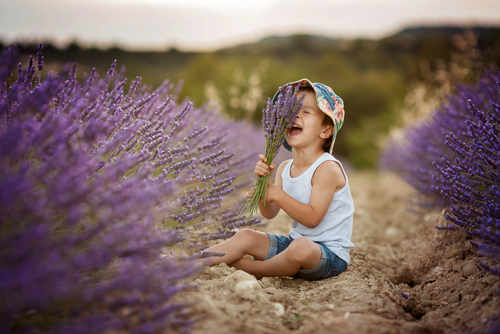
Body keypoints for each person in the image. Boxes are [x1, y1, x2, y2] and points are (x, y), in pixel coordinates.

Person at [205, 79, 354, 281]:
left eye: (306, 112)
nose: (295, 115)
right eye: (291, 110)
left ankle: (256, 269)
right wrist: (264, 187)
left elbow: (312, 219)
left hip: (328, 256)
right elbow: (269, 213)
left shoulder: (326, 168)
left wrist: (277, 193)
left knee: (300, 247)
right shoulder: (285, 168)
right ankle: (189, 263)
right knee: (245, 236)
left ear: (325, 131)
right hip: (295, 246)